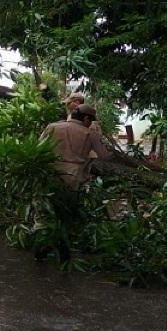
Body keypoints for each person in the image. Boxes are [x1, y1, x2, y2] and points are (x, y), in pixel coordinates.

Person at [37, 104, 111, 260]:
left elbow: (38, 148)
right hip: (73, 177)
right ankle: (62, 249)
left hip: (49, 173)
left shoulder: (52, 127)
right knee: (67, 214)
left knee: (45, 212)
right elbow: (104, 156)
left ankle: (42, 246)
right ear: (86, 118)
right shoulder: (89, 133)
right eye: (91, 120)